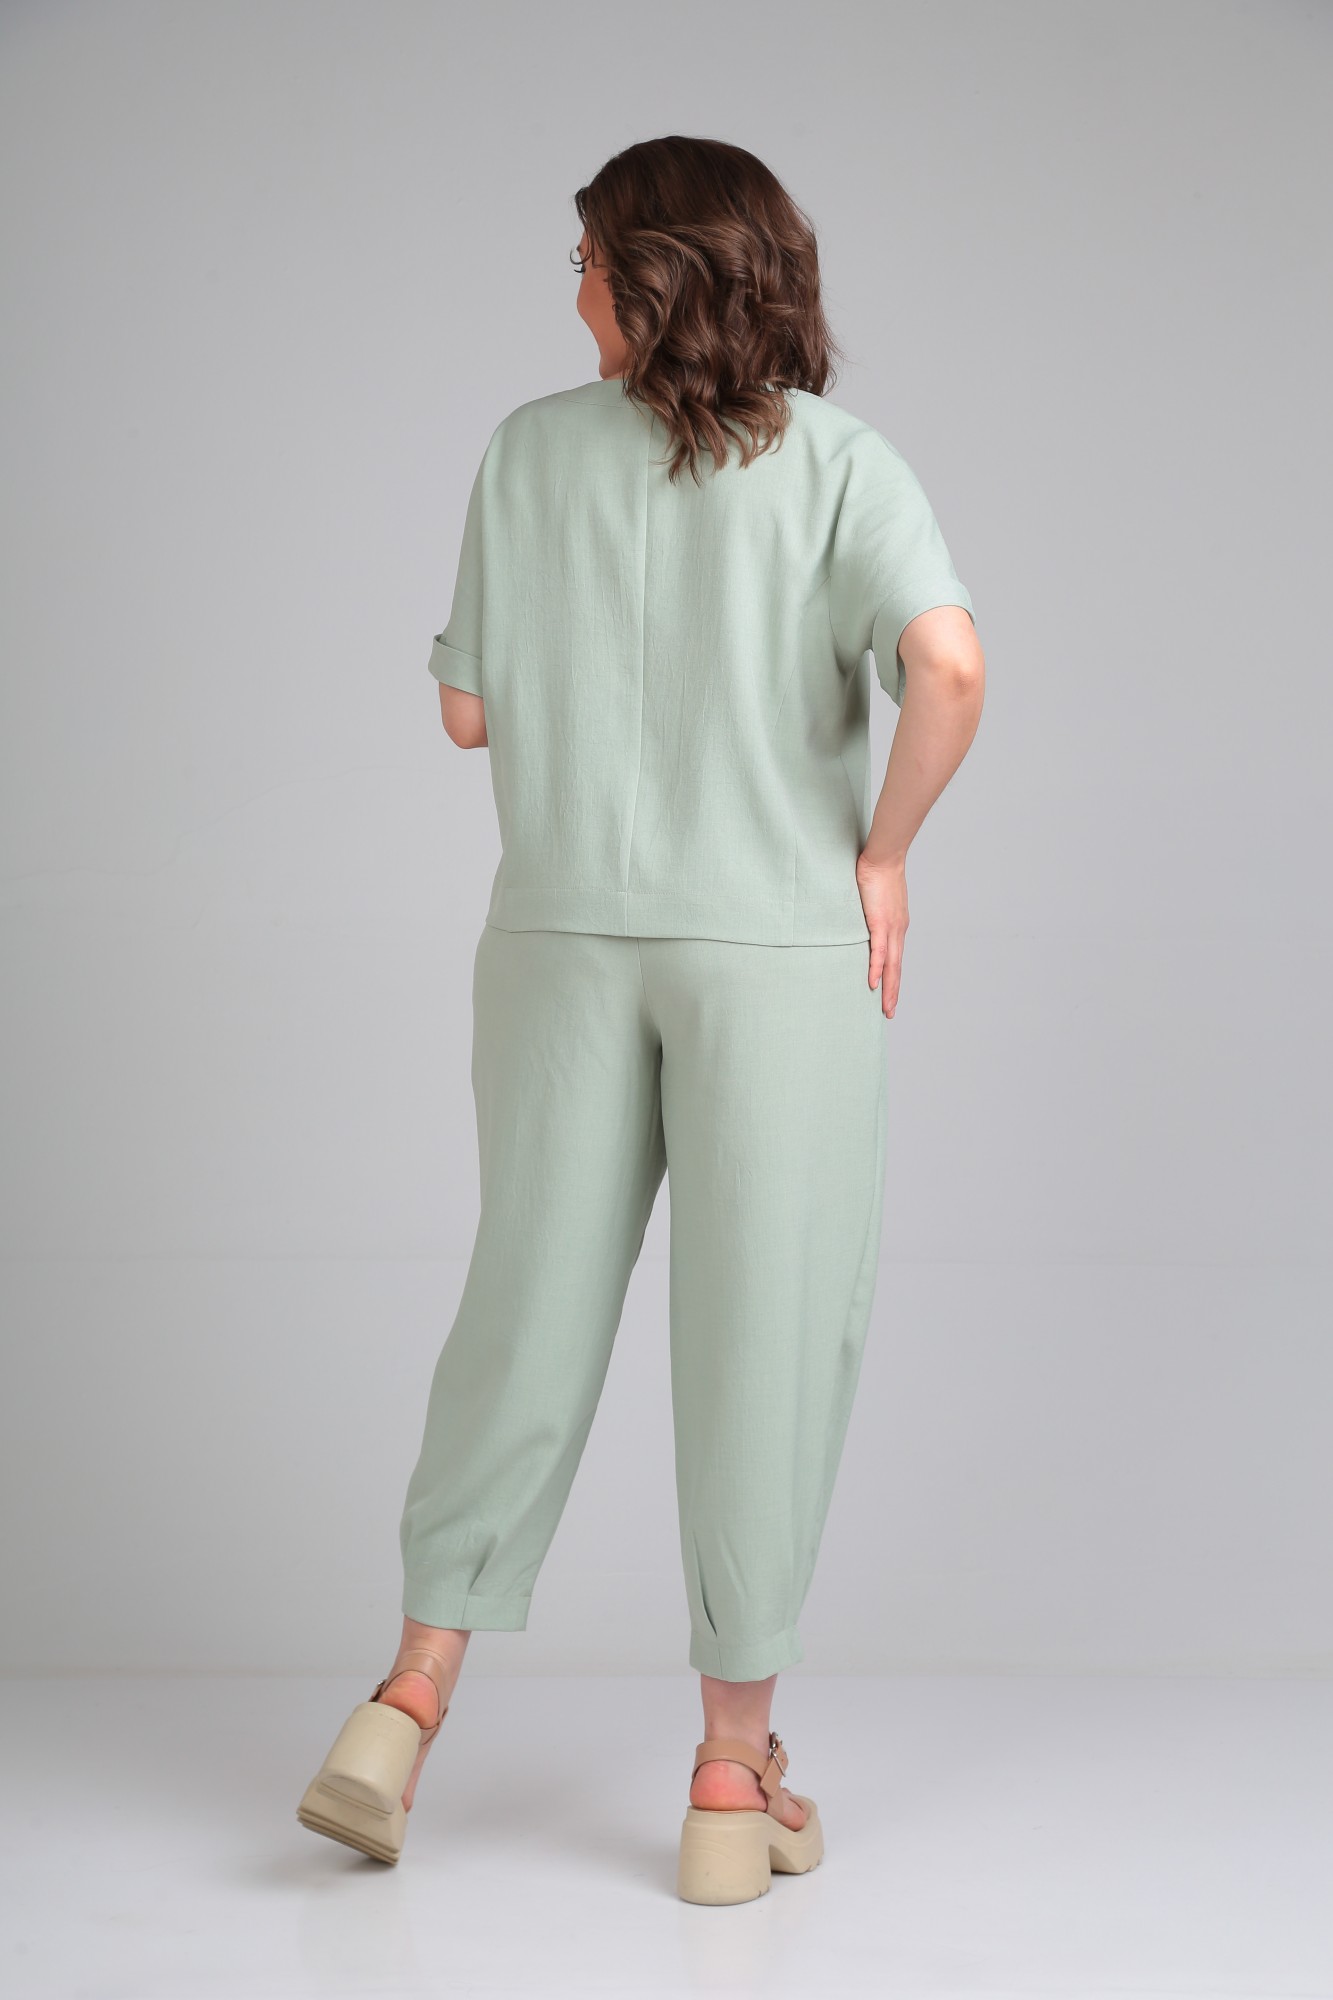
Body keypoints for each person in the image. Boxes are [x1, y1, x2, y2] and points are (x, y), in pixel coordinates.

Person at [298, 134, 985, 1904]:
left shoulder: (526, 452)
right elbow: (948, 664)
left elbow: (466, 718)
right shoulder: (838, 463)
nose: (576, 292)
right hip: (772, 949)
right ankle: (729, 1781)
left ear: (652, 274)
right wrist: (882, 855)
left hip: (558, 939)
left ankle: (400, 1705)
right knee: (765, 1334)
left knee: (522, 1307)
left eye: (589, 261)